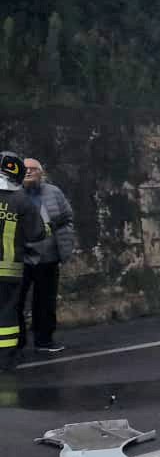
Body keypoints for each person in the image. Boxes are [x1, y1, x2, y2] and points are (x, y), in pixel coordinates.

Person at [21, 158, 74, 353]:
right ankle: (15, 344)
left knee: (45, 300)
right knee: (15, 302)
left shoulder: (53, 192)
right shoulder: (10, 194)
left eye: (33, 169)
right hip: (21, 257)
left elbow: (67, 217)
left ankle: (44, 341)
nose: (28, 172)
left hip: (48, 256)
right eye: (24, 169)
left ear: (40, 173)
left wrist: (62, 240)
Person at [1, 152, 48, 370]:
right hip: (9, 271)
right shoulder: (22, 200)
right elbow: (37, 233)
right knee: (7, 315)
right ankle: (6, 359)